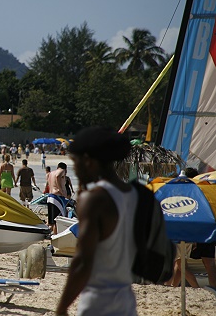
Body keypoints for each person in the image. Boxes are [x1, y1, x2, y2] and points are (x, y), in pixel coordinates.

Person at [56, 126, 137, 316]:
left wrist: (62, 307)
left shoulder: (95, 199)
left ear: (88, 161)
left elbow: (83, 261)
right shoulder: (133, 194)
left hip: (98, 302)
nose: (74, 169)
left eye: (75, 163)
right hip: (126, 300)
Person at [184, 166, 216, 287]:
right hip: (207, 228)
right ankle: (214, 289)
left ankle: (196, 287)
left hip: (195, 230)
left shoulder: (189, 192)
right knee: (210, 263)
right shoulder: (204, 189)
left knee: (180, 264)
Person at [47, 162, 67, 234]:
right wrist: (61, 190)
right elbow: (58, 176)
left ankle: (52, 236)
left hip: (50, 197)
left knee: (52, 221)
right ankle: (56, 236)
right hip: (57, 198)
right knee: (58, 221)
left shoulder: (51, 173)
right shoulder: (62, 171)